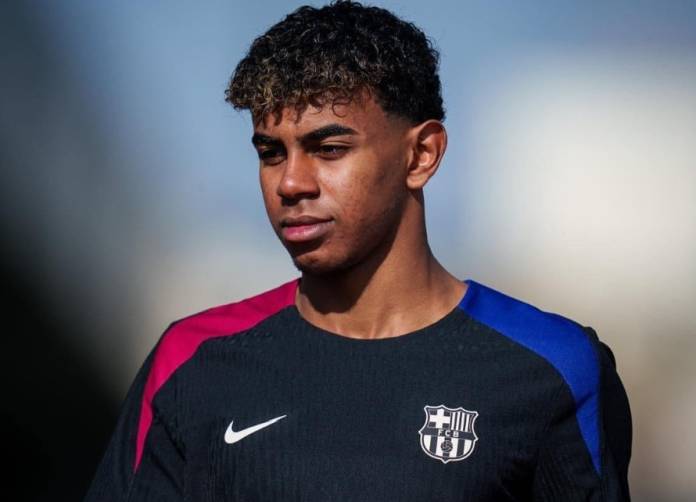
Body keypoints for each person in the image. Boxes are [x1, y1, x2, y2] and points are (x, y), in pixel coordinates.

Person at [84, 1, 632, 500]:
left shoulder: (553, 366)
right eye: (271, 153)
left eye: (328, 148)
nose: (291, 183)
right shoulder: (191, 361)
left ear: (421, 155)